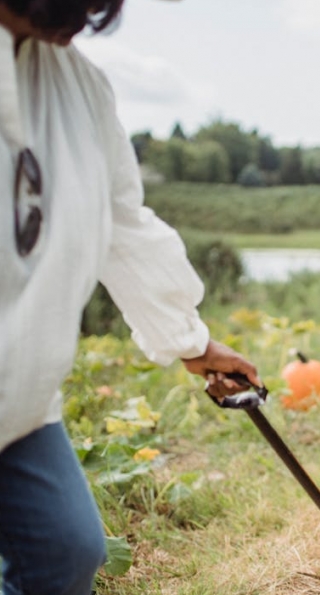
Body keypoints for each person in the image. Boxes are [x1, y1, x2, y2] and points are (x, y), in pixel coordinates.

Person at [0, 2, 260, 594]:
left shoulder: (80, 86)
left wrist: (191, 340)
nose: (85, 19)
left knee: (66, 547)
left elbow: (123, 223)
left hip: (21, 403)